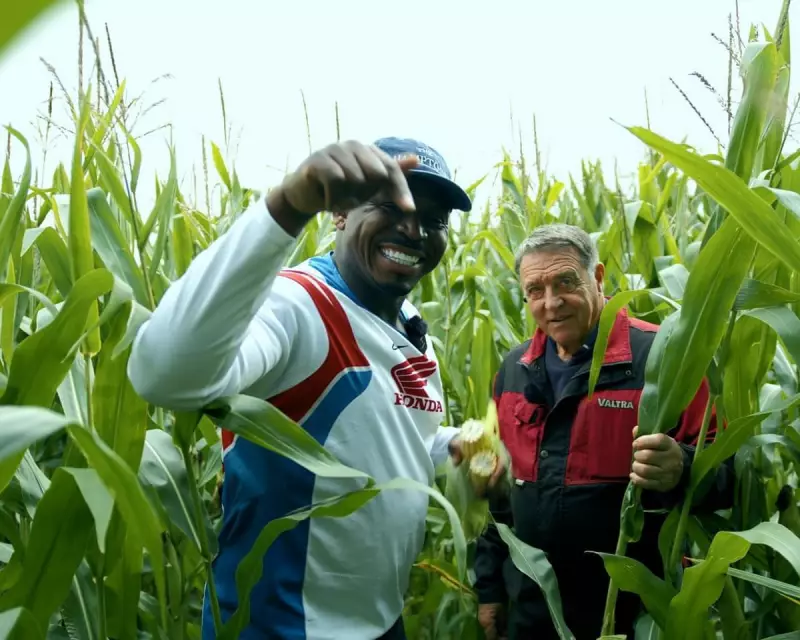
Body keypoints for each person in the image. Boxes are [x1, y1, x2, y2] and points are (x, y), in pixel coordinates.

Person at [127, 137, 505, 640]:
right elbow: (165, 376)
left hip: (380, 620)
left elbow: (390, 433)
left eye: (434, 220)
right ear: (340, 213)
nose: (414, 229)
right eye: (391, 207)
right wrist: (287, 205)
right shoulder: (299, 305)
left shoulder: (412, 326)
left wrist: (451, 445)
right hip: (282, 625)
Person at [472, 224, 736, 640]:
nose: (552, 302)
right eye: (535, 290)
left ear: (597, 278)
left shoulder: (664, 355)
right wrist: (489, 588)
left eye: (565, 282)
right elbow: (500, 497)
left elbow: (731, 475)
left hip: (632, 612)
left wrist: (683, 467)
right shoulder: (514, 369)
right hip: (532, 605)